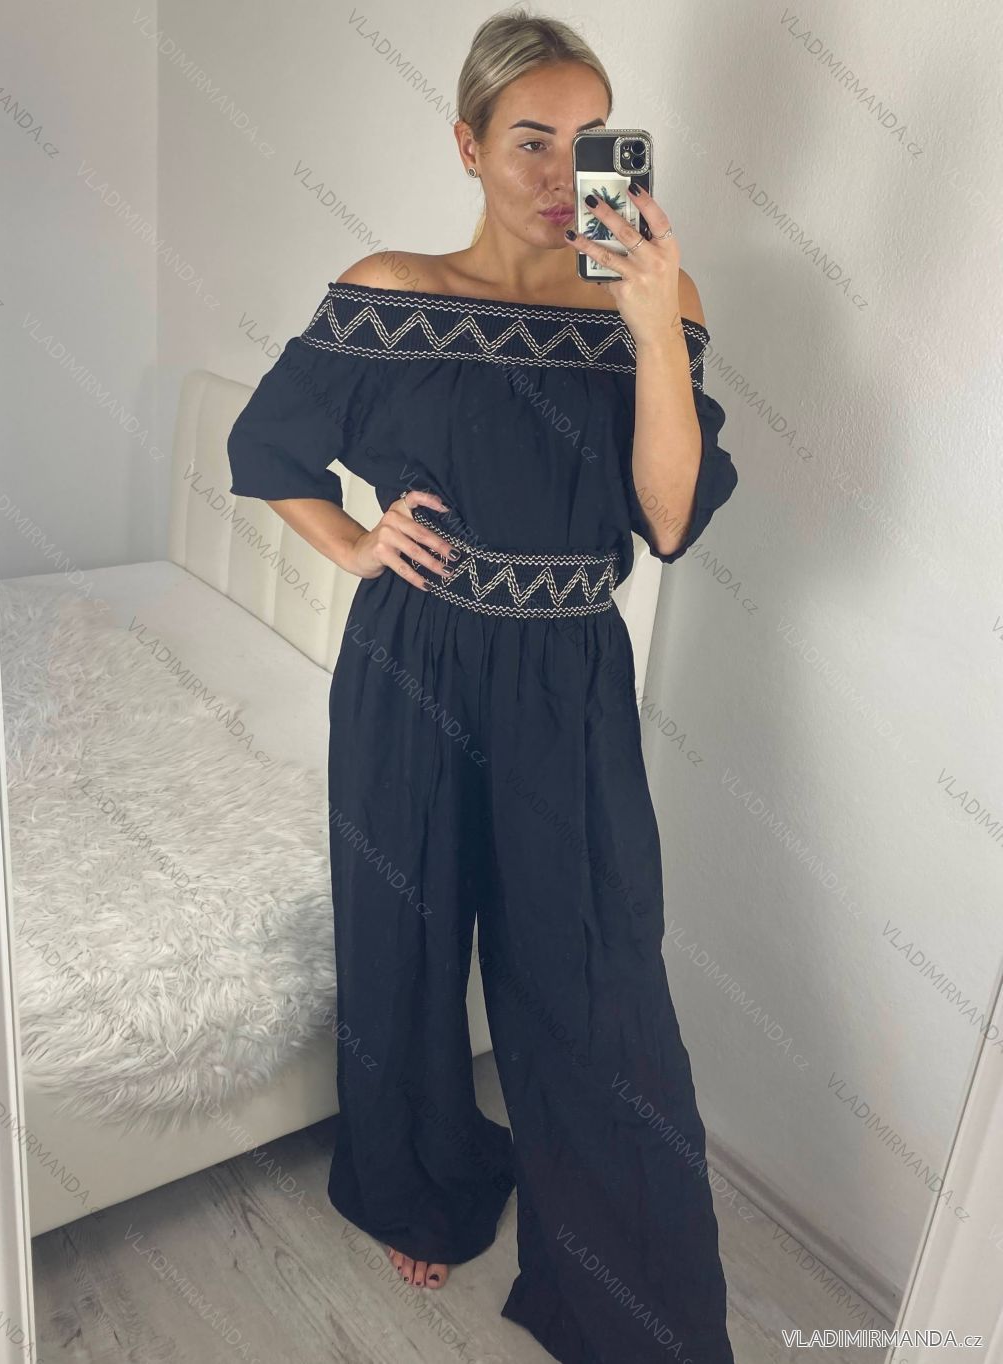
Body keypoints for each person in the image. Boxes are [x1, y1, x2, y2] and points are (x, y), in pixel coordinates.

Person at [227, 8, 739, 1362]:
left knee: (597, 976)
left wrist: (650, 329)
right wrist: (356, 542)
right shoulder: (391, 290)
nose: (562, 172)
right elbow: (267, 446)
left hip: (570, 675)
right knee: (404, 941)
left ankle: (627, 1300)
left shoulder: (657, 300)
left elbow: (669, 520)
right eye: (530, 141)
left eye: (591, 142)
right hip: (414, 662)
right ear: (467, 145)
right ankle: (421, 1187)